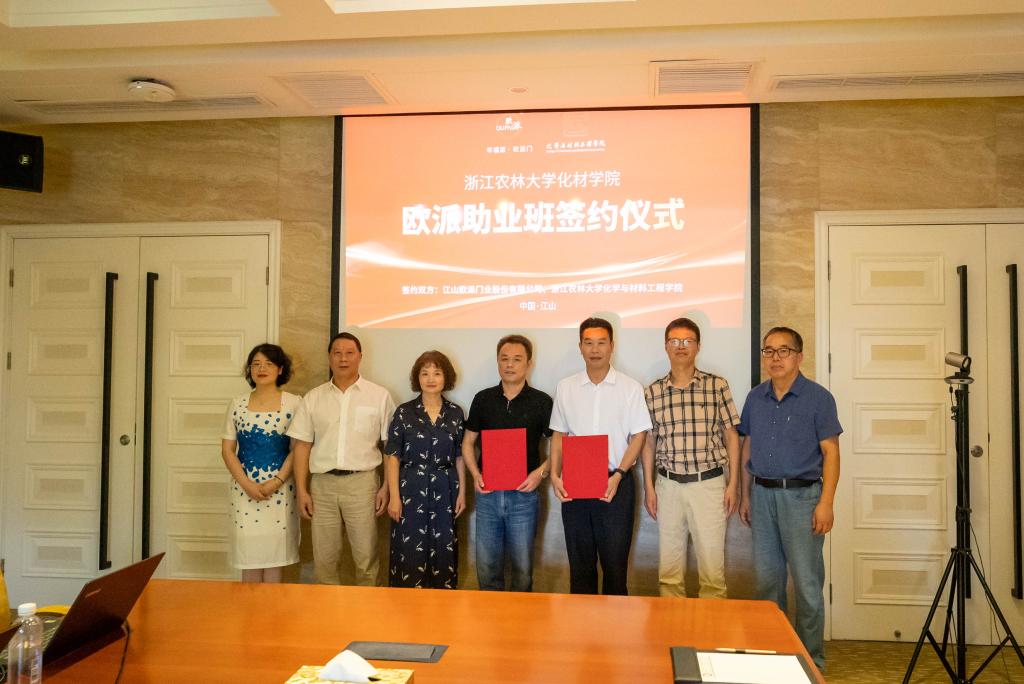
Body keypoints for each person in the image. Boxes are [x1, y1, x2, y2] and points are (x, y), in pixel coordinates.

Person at [738, 326, 841, 670]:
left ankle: (811, 661)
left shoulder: (818, 398)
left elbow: (831, 452)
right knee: (767, 583)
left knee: (807, 584)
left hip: (802, 498)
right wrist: (745, 495)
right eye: (768, 351)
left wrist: (826, 503)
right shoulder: (756, 397)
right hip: (762, 496)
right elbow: (747, 447)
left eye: (784, 351)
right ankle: (773, 655)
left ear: (799, 356)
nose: (775, 358)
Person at [549, 317, 652, 595]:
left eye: (601, 343)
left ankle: (615, 624)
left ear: (612, 346)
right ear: (580, 347)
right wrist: (555, 475)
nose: (595, 349)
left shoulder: (630, 388)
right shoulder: (566, 387)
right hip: (576, 484)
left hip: (615, 482)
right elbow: (559, 435)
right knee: (580, 568)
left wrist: (619, 474)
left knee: (615, 567)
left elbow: (639, 436)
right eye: (588, 343)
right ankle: (583, 624)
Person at [642, 318, 740, 598]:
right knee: (669, 575)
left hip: (708, 485)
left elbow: (731, 436)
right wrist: (649, 486)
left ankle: (710, 628)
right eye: (674, 341)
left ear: (698, 346)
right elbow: (649, 441)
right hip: (668, 486)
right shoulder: (653, 391)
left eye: (687, 341)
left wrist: (733, 484)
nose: (681, 346)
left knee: (712, 575)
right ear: (666, 346)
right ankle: (673, 626)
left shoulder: (716, 385)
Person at [288, 332, 395, 586]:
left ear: (360, 356)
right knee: (324, 560)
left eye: (349, 353)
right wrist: (301, 490)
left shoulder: (379, 396)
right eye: (337, 353)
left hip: (363, 484)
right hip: (322, 486)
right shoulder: (313, 398)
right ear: (329, 358)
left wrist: (386, 487)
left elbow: (390, 447)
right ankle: (328, 611)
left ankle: (366, 610)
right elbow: (302, 446)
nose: (343, 359)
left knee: (366, 558)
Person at [463, 334, 553, 591]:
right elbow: (468, 443)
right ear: (497, 362)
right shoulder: (483, 399)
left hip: (524, 496)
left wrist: (540, 473)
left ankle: (520, 617)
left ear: (529, 363)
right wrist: (475, 474)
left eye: (517, 359)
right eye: (504, 359)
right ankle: (490, 616)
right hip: (488, 495)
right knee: (486, 568)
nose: (509, 364)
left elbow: (559, 446)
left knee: (522, 569)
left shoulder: (542, 401)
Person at [385, 350, 466, 589]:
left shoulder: (455, 412)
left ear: (446, 377)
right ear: (417, 377)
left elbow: (460, 456)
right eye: (425, 373)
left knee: (444, 552)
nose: (431, 378)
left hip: (446, 490)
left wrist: (462, 493)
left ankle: (443, 608)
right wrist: (394, 497)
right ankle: (406, 609)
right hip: (410, 491)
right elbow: (392, 457)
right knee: (409, 553)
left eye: (437, 373)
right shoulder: (404, 412)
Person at [220, 343, 300, 583]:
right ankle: (249, 607)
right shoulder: (237, 404)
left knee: (275, 558)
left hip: (281, 490)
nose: (261, 369)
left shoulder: (295, 403)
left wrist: (276, 482)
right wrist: (247, 485)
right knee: (249, 559)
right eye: (256, 364)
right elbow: (227, 450)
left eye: (268, 364)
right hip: (243, 489)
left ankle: (271, 608)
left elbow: (297, 449)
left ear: (280, 369)